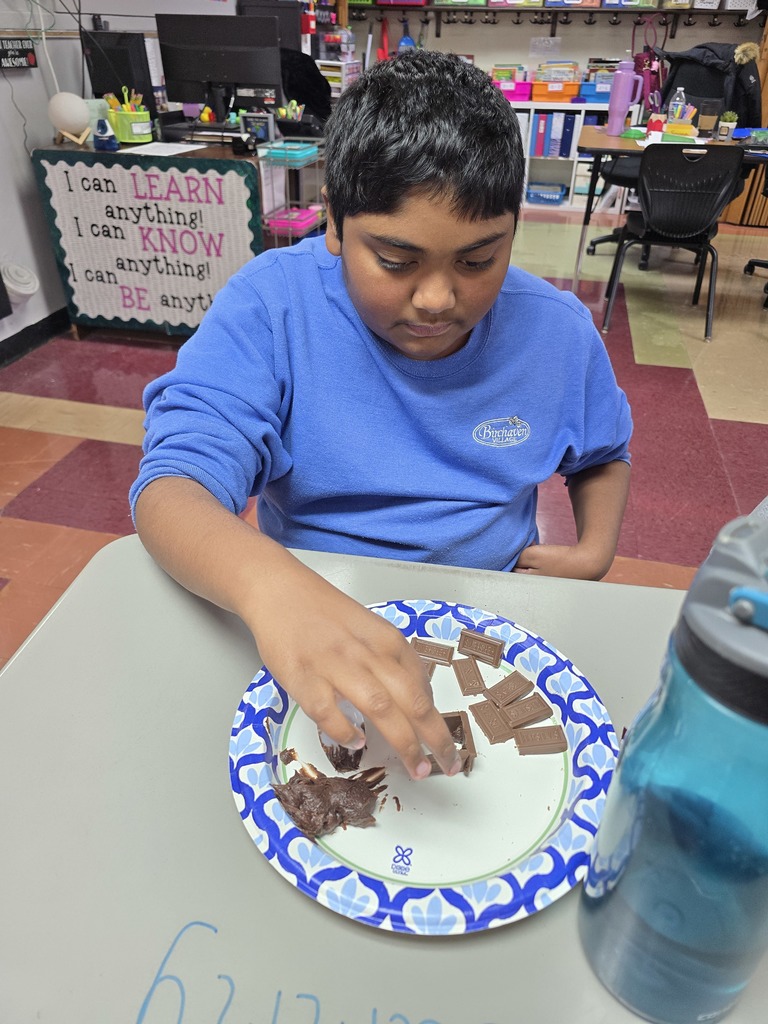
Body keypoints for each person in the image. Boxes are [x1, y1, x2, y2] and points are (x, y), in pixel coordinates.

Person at [130, 51, 632, 783]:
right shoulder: (274, 307)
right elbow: (171, 488)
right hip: (308, 605)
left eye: (478, 260)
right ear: (332, 219)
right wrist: (270, 588)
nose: (437, 298)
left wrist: (595, 550)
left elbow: (602, 455)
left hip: (487, 618)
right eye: (395, 260)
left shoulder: (556, 332)